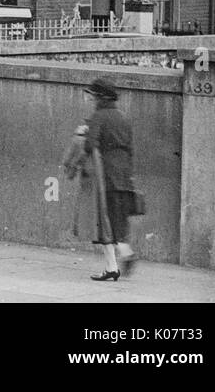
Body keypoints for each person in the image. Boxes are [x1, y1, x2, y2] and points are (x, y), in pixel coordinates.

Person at [81, 77, 139, 281]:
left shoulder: (99, 116)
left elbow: (90, 145)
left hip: (106, 174)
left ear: (100, 97)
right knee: (118, 220)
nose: (91, 99)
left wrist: (85, 132)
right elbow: (130, 148)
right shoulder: (123, 117)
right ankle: (121, 257)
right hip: (124, 174)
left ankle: (119, 261)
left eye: (93, 95)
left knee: (104, 222)